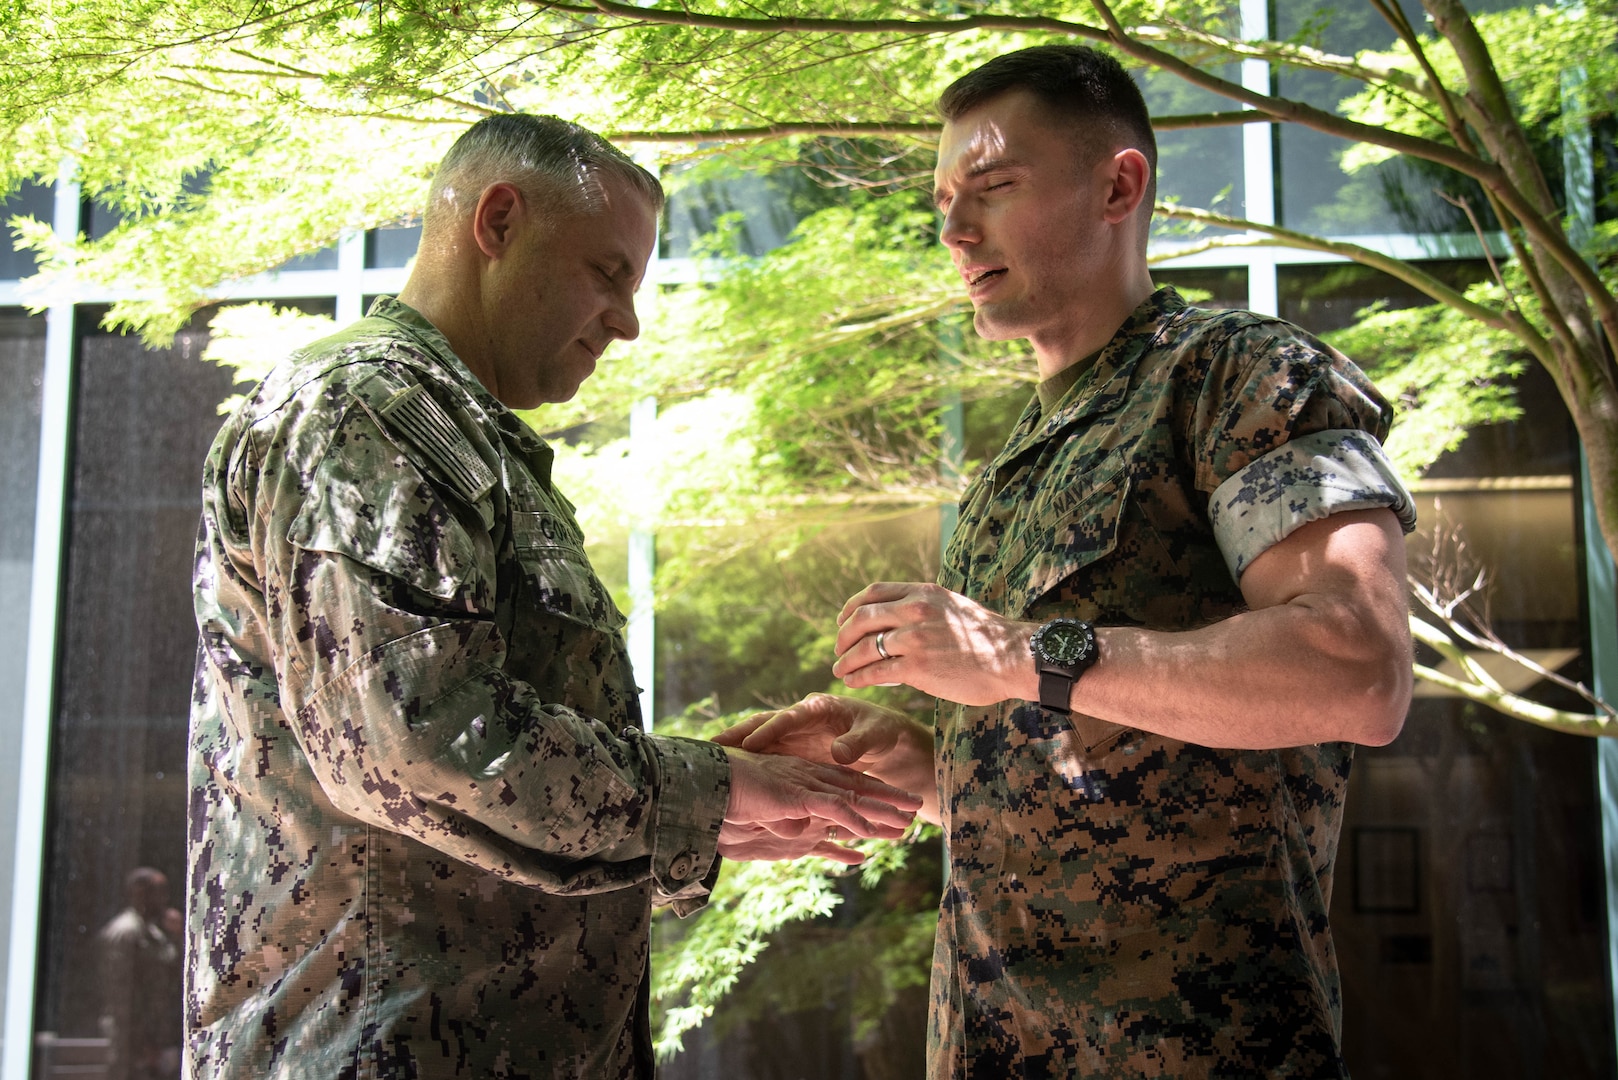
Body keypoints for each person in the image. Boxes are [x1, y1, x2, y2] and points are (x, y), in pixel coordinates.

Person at [719, 45, 1417, 1077]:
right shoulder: (1009, 466)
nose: (954, 232)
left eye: (993, 189)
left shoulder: (1235, 375)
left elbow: (1358, 668)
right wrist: (930, 765)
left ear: (1118, 186)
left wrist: (1017, 657)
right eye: (945, 200)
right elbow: (1103, 770)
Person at [187, 113, 921, 1079]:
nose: (629, 321)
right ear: (496, 221)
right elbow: (411, 748)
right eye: (608, 273)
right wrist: (709, 791)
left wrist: (714, 802)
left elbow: (470, 796)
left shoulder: (463, 438)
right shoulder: (369, 410)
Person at [98, 867, 182, 1080]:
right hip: (132, 1042)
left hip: (157, 1036)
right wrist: (143, 1043)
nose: (164, 899)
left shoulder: (155, 931)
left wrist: (178, 935)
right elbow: (121, 994)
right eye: (158, 891)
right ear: (140, 893)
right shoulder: (125, 932)